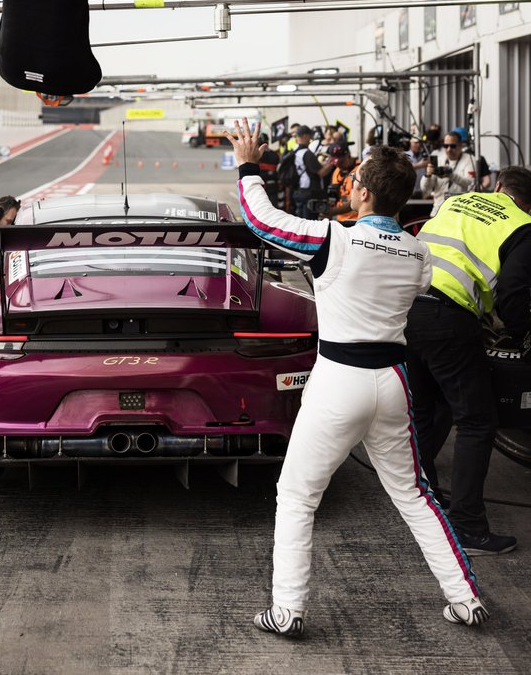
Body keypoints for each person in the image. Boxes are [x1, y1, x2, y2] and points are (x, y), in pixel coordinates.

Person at [225, 119, 487, 637]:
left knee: (298, 497)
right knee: (415, 496)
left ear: (362, 191)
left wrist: (248, 166)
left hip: (338, 379)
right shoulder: (419, 254)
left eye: (354, 180)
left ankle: (288, 611)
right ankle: (466, 599)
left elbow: (261, 219)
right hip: (392, 380)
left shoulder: (333, 240)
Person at [405, 166, 531, 557]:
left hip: (406, 309)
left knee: (426, 411)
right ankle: (468, 528)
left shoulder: (458, 201)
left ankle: (424, 513)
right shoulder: (523, 225)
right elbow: (513, 293)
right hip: (448, 319)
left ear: (497, 187)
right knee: (477, 421)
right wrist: (522, 334)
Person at [421, 133, 478, 215]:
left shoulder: (469, 159)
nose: (448, 149)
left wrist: (450, 175)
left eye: (453, 146)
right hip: (439, 210)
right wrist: (427, 176)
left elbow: (470, 183)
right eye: (445, 146)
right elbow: (426, 190)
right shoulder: (439, 159)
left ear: (460, 146)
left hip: (460, 210)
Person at [291, 125, 334, 220]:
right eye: (310, 136)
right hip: (311, 193)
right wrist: (331, 162)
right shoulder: (307, 153)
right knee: (310, 222)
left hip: (299, 190)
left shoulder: (294, 151)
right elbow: (321, 172)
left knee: (301, 221)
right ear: (306, 136)